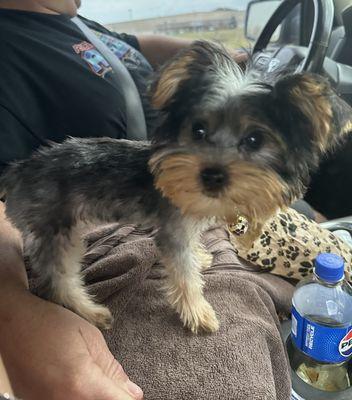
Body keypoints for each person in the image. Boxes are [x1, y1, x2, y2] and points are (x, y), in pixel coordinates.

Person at [0, 1, 253, 399]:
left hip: (151, 174)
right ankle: (74, 299)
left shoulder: (76, 21)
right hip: (58, 192)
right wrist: (13, 311)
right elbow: (172, 237)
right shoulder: (10, 46)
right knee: (59, 258)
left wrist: (217, 55)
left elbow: (136, 43)